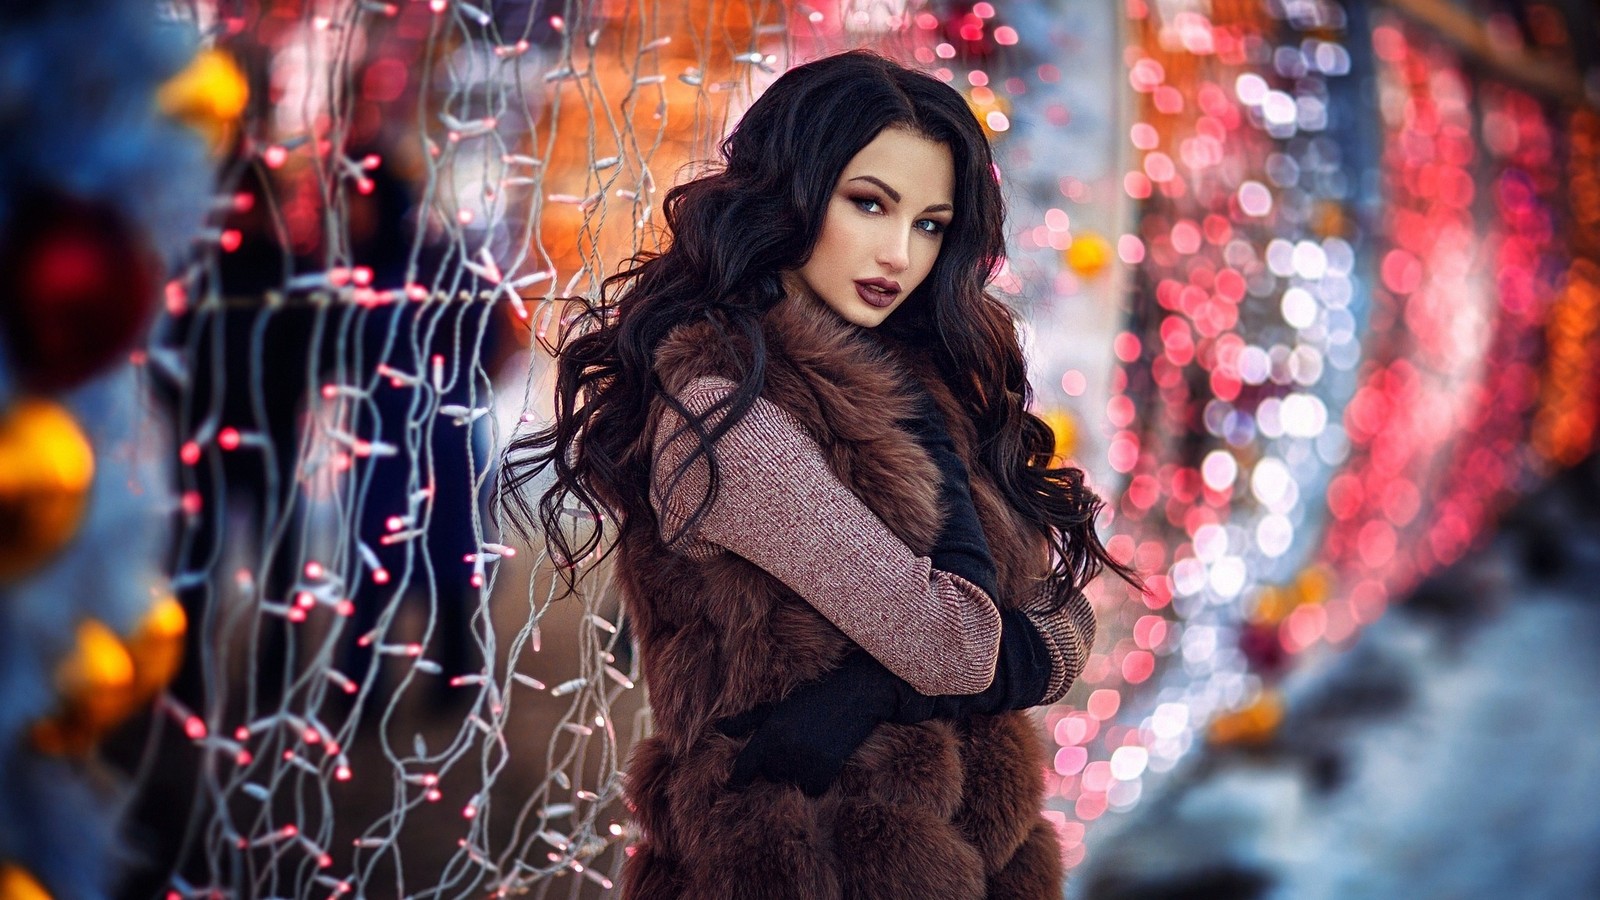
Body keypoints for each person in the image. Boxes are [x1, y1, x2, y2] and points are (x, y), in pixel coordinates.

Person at [501, 50, 1135, 899]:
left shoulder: (917, 372)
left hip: (976, 855)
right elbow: (955, 644)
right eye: (869, 203)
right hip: (806, 862)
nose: (898, 253)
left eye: (930, 224)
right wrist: (958, 659)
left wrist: (859, 697)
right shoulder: (724, 415)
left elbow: (1067, 616)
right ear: (791, 194)